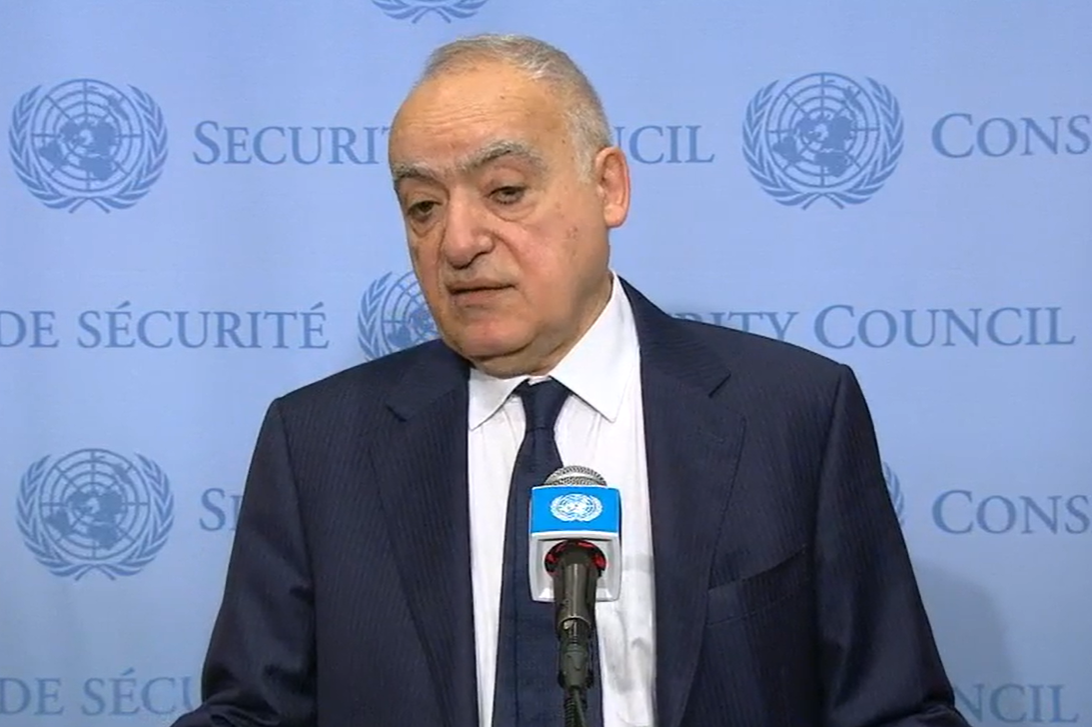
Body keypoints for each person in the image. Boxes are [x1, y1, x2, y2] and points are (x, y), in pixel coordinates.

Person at [174, 33, 967, 727]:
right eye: (421, 206)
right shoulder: (320, 445)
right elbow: (253, 714)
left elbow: (896, 713)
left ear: (608, 187)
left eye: (505, 192)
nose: (457, 241)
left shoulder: (791, 414)